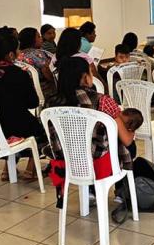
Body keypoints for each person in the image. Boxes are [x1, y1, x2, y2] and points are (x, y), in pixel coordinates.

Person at [44, 56, 143, 207]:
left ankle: (90, 191)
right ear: (85, 78)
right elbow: (126, 139)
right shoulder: (102, 101)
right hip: (97, 162)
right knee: (129, 146)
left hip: (65, 161)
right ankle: (121, 191)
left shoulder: (50, 103)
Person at [0, 31, 44, 144]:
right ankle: (31, 161)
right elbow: (33, 103)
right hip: (12, 129)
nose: (19, 52)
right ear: (11, 54)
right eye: (18, 50)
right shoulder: (18, 74)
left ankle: (10, 161)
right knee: (43, 134)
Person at [17, 27, 56, 100]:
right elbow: (48, 74)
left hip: (24, 92)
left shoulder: (18, 55)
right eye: (38, 36)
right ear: (31, 40)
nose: (41, 38)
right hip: (43, 91)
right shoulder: (38, 54)